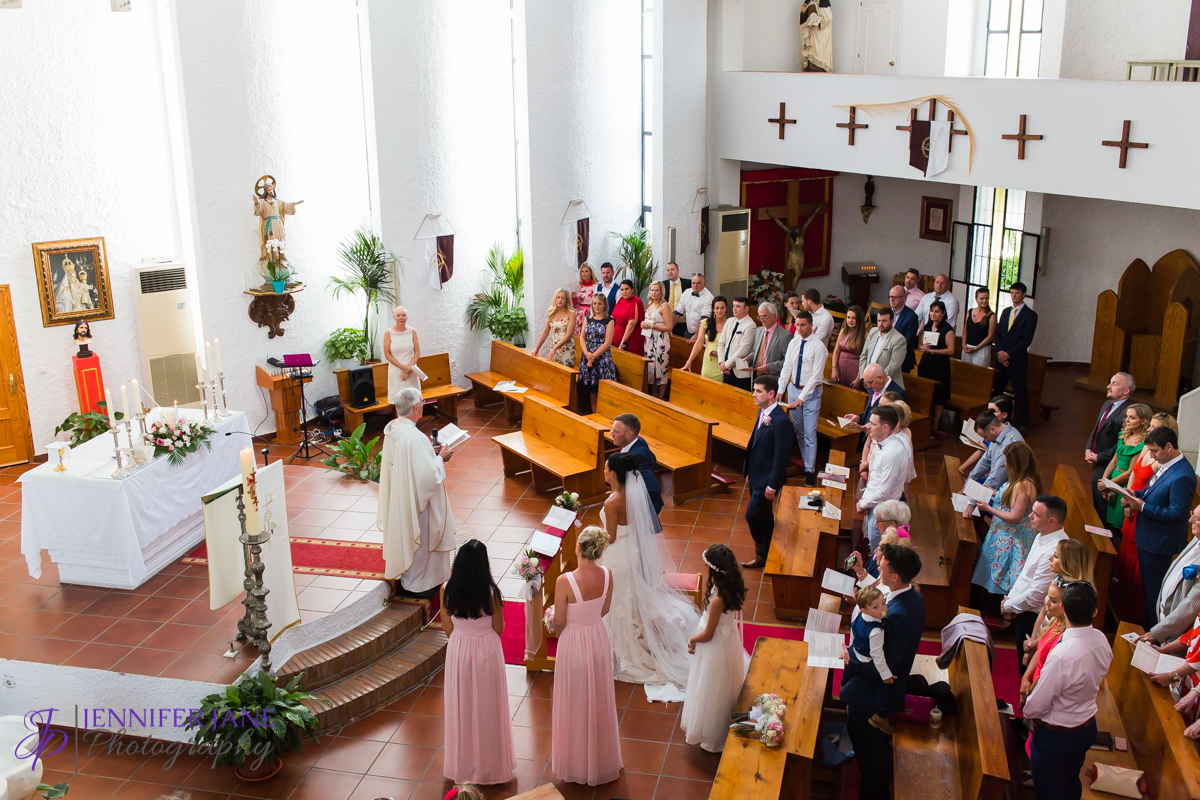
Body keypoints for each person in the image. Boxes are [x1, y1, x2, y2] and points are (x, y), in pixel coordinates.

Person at [600, 453, 699, 692]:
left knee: (616, 600)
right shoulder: (631, 497)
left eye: (605, 469)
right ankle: (629, 641)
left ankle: (619, 649)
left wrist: (593, 536)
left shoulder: (611, 503)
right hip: (631, 551)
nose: (603, 472)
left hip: (617, 555)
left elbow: (610, 537)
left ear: (613, 473)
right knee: (627, 598)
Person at [842, 543, 925, 800]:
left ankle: (874, 792)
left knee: (868, 747)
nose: (878, 566)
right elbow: (879, 595)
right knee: (868, 745)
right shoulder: (909, 595)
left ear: (895, 576)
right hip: (873, 679)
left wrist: (852, 660)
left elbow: (886, 666)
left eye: (882, 566)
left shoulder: (898, 615)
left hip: (873, 694)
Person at [1022, 581, 1112, 800]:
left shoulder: (1062, 654)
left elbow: (1039, 701)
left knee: (1049, 791)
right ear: (1095, 611)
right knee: (1071, 781)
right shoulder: (1102, 640)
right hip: (1086, 727)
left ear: (1062, 609)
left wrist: (1027, 712)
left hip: (1057, 735)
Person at [550, 526, 623, 786]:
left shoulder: (564, 581)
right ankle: (600, 759)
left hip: (573, 642)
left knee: (575, 702)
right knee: (598, 700)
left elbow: (558, 620)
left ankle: (577, 762)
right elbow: (604, 608)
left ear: (578, 548)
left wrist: (563, 633)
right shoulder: (607, 574)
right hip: (597, 639)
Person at [439, 540, 515, 786]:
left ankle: (463, 763)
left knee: (461, 705)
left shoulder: (446, 589)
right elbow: (499, 628)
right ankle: (490, 765)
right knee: (487, 705)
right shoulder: (491, 592)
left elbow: (447, 626)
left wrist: (464, 638)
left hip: (459, 649)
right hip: (486, 649)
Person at [377, 388, 456, 594]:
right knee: (421, 539)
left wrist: (431, 452)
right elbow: (428, 478)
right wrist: (441, 458)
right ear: (416, 408)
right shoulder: (415, 437)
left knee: (406, 534)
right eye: (422, 401)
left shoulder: (393, 428)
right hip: (416, 502)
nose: (423, 404)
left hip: (401, 496)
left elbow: (411, 462)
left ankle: (408, 577)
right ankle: (420, 584)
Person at [1124, 425, 1198, 628]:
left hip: (1159, 544)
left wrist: (1143, 507)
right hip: (1149, 538)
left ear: (1169, 446)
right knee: (1148, 590)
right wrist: (1134, 495)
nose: (1152, 456)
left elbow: (1177, 513)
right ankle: (1148, 623)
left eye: (1155, 451)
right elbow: (1154, 493)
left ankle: (1154, 632)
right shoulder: (1167, 465)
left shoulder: (1182, 475)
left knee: (1155, 593)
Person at [681, 544, 749, 752]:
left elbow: (709, 633)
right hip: (728, 640)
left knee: (712, 687)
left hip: (715, 645)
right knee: (726, 684)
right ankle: (728, 721)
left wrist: (692, 639)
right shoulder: (731, 587)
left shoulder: (719, 599)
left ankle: (715, 735)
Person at [1001, 496, 1069, 676]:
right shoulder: (1043, 534)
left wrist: (1008, 605)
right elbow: (1026, 575)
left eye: (1036, 514)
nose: (1029, 516)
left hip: (1031, 614)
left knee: (1027, 671)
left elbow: (1036, 594)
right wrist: (1010, 599)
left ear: (1051, 520)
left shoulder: (1055, 549)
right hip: (1020, 606)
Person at [1111, 411, 1169, 623]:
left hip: (1142, 511)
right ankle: (1117, 604)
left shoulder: (1160, 457)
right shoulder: (1148, 445)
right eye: (1150, 426)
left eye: (1155, 428)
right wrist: (1126, 497)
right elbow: (1134, 474)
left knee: (1136, 568)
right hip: (1131, 504)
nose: (1150, 431)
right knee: (1124, 561)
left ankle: (1130, 615)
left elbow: (1151, 487)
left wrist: (1133, 503)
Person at [971, 442, 1043, 597]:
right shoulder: (1020, 479)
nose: (1005, 464)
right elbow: (1013, 502)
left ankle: (999, 608)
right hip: (1003, 534)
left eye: (1007, 461)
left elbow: (1015, 517)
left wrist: (988, 508)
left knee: (1000, 576)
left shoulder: (1023, 485)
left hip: (1011, 540)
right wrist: (995, 494)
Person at [741, 376, 794, 569]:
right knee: (764, 516)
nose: (754, 394)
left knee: (752, 515)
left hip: (767, 480)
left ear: (771, 394)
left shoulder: (780, 422)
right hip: (755, 475)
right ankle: (766, 552)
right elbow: (754, 443)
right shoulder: (762, 412)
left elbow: (781, 457)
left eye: (758, 391)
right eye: (754, 390)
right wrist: (748, 471)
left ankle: (760, 549)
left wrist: (772, 484)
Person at [1022, 539, 1093, 668]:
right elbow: (1043, 612)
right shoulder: (1057, 580)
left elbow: (1057, 631)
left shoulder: (1074, 596)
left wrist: (1034, 645)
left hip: (1048, 647)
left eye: (1055, 556)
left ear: (1068, 563)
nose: (1050, 558)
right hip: (1039, 640)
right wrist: (1032, 640)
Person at [1137, 503, 1200, 646]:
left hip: (1177, 636)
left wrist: (1157, 633)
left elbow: (1191, 606)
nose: (1190, 520)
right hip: (1164, 620)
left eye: (1196, 518)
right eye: (1192, 515)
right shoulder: (1197, 539)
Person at [778, 310, 826, 485]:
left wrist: (803, 398)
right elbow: (787, 366)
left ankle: (809, 471)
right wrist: (780, 389)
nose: (799, 328)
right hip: (794, 389)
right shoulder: (794, 342)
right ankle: (807, 462)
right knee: (798, 430)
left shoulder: (818, 347)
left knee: (810, 432)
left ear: (811, 325)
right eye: (797, 325)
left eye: (803, 325)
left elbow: (816, 377)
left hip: (811, 394)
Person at [841, 585, 895, 734]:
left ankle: (843, 683)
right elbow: (877, 656)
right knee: (882, 684)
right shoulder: (876, 630)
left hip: (855, 649)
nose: (882, 609)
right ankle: (880, 715)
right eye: (876, 607)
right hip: (865, 658)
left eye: (883, 603)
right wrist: (886, 675)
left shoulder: (859, 612)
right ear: (864, 609)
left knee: (849, 667)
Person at [857, 405, 911, 553]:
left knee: (879, 550)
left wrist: (863, 503)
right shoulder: (885, 445)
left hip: (883, 509)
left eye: (873, 424)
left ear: (886, 427)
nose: (869, 427)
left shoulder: (892, 453)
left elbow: (884, 492)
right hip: (875, 502)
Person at [1085, 372, 1135, 521]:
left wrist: (1098, 456)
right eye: (1110, 382)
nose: (1108, 386)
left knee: (1103, 508)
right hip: (1097, 462)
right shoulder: (1107, 404)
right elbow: (1096, 429)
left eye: (1114, 384)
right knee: (1096, 503)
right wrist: (1088, 448)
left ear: (1126, 391)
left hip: (1109, 466)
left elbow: (1121, 443)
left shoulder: (1128, 413)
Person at [992, 282, 1038, 430]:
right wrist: (1000, 352)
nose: (1014, 295)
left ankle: (1023, 423)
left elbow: (1026, 340)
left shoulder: (1030, 315)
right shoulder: (1006, 312)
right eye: (1011, 292)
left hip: (1016, 360)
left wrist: (1008, 354)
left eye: (1017, 293)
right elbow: (998, 333)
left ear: (1023, 294)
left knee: (1020, 391)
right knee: (996, 388)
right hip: (1001, 359)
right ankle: (993, 418)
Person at [1098, 403, 1151, 530]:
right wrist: (1104, 480)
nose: (1127, 420)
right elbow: (1114, 460)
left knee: (1119, 522)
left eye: (1132, 418)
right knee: (1108, 521)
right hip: (1113, 479)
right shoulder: (1125, 435)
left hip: (1124, 484)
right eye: (1126, 417)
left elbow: (1129, 473)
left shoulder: (1144, 444)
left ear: (1143, 421)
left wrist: (1109, 483)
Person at [610, 413, 664, 516]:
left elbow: (653, 489)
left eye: (616, 432)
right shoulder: (638, 441)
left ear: (629, 434)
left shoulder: (637, 456)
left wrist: (640, 510)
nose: (612, 434)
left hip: (643, 511)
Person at [966, 411, 1025, 502]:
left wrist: (972, 503)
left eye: (985, 436)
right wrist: (967, 485)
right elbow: (985, 461)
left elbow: (996, 478)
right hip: (1001, 488)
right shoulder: (998, 436)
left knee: (977, 505)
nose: (985, 440)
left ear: (993, 429)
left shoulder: (1009, 444)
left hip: (1013, 494)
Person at [916, 299, 955, 430]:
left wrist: (932, 350)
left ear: (943, 313)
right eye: (932, 311)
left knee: (939, 395)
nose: (933, 314)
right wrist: (923, 347)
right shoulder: (927, 326)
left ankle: (935, 424)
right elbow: (922, 343)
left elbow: (951, 350)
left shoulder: (947, 329)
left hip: (940, 365)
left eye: (937, 311)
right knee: (925, 391)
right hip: (926, 362)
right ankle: (925, 420)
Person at [578, 293, 617, 414]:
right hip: (587, 353)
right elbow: (582, 337)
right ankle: (593, 413)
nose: (597, 306)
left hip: (602, 358)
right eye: (594, 303)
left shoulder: (609, 320)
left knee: (600, 387)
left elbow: (607, 342)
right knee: (591, 387)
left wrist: (593, 356)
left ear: (604, 305)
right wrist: (586, 353)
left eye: (599, 304)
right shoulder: (588, 318)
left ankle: (604, 413)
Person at [957, 396, 1013, 478]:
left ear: (1004, 414)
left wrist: (987, 451)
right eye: (988, 411)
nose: (989, 415)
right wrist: (963, 467)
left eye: (993, 412)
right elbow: (981, 452)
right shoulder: (988, 429)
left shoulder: (1008, 437)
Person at [681, 295, 728, 380]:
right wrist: (689, 361)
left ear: (726, 309)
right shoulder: (706, 323)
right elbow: (699, 343)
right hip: (708, 363)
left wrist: (720, 354)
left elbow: (731, 346)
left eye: (722, 308)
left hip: (722, 363)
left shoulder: (729, 324)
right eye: (717, 308)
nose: (719, 311)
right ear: (713, 309)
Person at [858, 307, 906, 389]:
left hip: (887, 386)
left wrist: (875, 381)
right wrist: (864, 377)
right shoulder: (873, 332)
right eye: (879, 321)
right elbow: (863, 355)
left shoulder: (899, 339)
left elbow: (893, 366)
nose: (880, 324)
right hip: (869, 383)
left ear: (892, 321)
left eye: (884, 321)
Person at [718, 296, 758, 391]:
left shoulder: (750, 325)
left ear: (746, 309)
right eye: (733, 306)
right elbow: (721, 343)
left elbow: (743, 350)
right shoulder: (729, 321)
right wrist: (721, 362)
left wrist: (726, 365)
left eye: (738, 306)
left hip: (740, 373)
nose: (734, 309)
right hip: (726, 370)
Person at [640, 281, 672, 397]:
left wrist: (652, 325)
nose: (654, 292)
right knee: (651, 370)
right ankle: (653, 396)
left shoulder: (664, 306)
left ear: (661, 291)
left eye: (656, 290)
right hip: (649, 340)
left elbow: (669, 327)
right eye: (652, 290)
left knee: (661, 369)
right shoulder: (649, 305)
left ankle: (661, 397)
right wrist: (644, 325)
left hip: (660, 341)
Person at [531, 288, 577, 367]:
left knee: (566, 372)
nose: (560, 300)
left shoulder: (571, 314)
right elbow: (545, 331)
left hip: (566, 347)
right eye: (558, 297)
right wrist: (537, 348)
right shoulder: (551, 313)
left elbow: (569, 335)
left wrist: (554, 349)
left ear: (566, 300)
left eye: (563, 298)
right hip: (554, 346)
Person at [383, 306, 422, 395]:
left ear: (407, 317)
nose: (401, 317)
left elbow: (417, 352)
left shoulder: (413, 331)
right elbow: (387, 354)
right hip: (396, 370)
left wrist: (408, 368)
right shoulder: (388, 333)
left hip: (411, 369)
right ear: (394, 317)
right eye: (398, 315)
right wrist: (403, 368)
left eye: (404, 315)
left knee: (414, 399)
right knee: (399, 400)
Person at [750, 302, 793, 382]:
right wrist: (748, 359)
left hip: (772, 379)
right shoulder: (759, 331)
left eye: (765, 316)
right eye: (760, 316)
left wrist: (770, 367)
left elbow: (788, 361)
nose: (762, 319)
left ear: (774, 316)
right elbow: (756, 352)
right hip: (756, 376)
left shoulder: (785, 336)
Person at [831, 304, 867, 387]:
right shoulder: (843, 331)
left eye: (854, 318)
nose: (850, 320)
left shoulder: (865, 335)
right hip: (840, 368)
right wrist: (834, 369)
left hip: (855, 369)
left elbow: (865, 358)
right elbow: (836, 351)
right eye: (848, 317)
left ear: (859, 319)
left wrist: (859, 377)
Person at [888, 285, 920, 375]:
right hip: (886, 358)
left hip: (902, 360)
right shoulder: (887, 313)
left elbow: (907, 340)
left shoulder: (911, 316)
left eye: (895, 297)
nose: (892, 300)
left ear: (903, 297)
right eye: (890, 297)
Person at [675, 272, 714, 343]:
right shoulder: (686, 293)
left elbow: (704, 320)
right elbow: (677, 313)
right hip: (688, 332)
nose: (695, 285)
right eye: (693, 283)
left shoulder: (709, 297)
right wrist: (669, 329)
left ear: (704, 284)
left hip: (703, 334)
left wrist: (696, 335)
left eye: (698, 283)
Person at [961, 287, 996, 367]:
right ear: (976, 299)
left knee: (978, 374)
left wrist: (976, 348)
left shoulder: (991, 316)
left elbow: (990, 336)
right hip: (967, 347)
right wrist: (963, 345)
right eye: (982, 298)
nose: (984, 301)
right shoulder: (970, 312)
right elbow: (966, 330)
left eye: (986, 298)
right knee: (965, 371)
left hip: (981, 349)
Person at [612, 279, 646, 357]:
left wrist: (623, 341)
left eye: (627, 289)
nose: (624, 292)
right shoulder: (621, 299)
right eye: (622, 289)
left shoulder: (636, 301)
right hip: (617, 334)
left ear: (632, 290)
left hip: (630, 337)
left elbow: (632, 324)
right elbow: (613, 317)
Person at [659, 261, 688, 334]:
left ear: (678, 270)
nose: (670, 272)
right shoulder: (662, 285)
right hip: (666, 323)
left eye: (672, 269)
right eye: (668, 270)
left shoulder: (687, 284)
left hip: (683, 323)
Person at [574, 262, 598, 333]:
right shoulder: (578, 286)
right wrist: (574, 298)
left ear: (591, 273)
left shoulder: (597, 286)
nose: (584, 273)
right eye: (582, 271)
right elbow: (575, 306)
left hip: (591, 313)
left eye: (586, 271)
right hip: (579, 314)